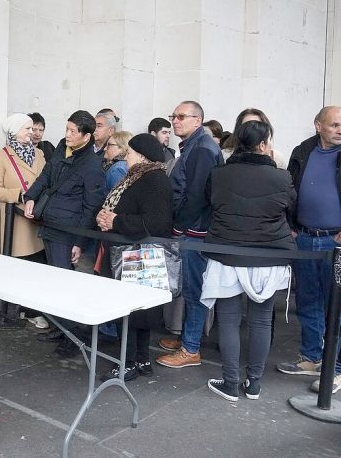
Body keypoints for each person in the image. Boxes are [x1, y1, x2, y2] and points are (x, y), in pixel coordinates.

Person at [276, 106, 341, 394]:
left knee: (339, 307)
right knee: (308, 302)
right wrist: (290, 224)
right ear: (318, 125)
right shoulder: (303, 151)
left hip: (339, 241)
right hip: (304, 238)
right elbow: (288, 190)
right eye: (335, 125)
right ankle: (312, 357)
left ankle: (335, 369)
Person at [200, 121, 295, 401]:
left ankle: (230, 383)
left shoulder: (219, 174)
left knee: (228, 320)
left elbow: (210, 202)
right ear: (264, 144)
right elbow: (291, 207)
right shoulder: (282, 177)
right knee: (261, 321)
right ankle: (253, 384)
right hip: (269, 254)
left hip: (227, 253)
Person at [23, 110, 107, 358]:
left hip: (68, 230)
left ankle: (73, 337)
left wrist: (80, 241)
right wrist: (30, 197)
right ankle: (59, 327)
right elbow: (45, 176)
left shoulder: (92, 165)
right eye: (67, 129)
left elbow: (92, 206)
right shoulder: (62, 149)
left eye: (73, 131)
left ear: (87, 135)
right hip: (50, 224)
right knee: (53, 281)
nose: (67, 134)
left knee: (66, 284)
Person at [95, 134, 173, 381]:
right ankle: (140, 358)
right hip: (129, 252)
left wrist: (115, 220)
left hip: (137, 256)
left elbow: (154, 222)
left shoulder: (153, 180)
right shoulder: (140, 177)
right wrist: (105, 217)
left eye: (129, 153)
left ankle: (128, 362)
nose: (125, 156)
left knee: (131, 310)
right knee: (138, 310)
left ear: (141, 156)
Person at [157, 100, 224, 369]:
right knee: (189, 288)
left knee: (196, 290)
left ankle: (191, 348)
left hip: (195, 231)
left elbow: (195, 195)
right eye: (173, 116)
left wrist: (179, 227)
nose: (175, 121)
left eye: (182, 116)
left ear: (198, 120)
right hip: (191, 229)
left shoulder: (203, 149)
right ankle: (187, 337)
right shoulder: (194, 146)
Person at [0, 113, 47, 329]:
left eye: (32, 129)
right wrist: (20, 195)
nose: (31, 133)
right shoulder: (0, 156)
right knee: (19, 266)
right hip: (17, 221)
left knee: (38, 265)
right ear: (14, 131)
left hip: (38, 219)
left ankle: (33, 310)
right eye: (27, 129)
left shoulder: (39, 153)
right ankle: (17, 311)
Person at [221, 108, 286, 167]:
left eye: (258, 125)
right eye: (246, 126)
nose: (252, 130)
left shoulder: (277, 159)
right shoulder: (225, 156)